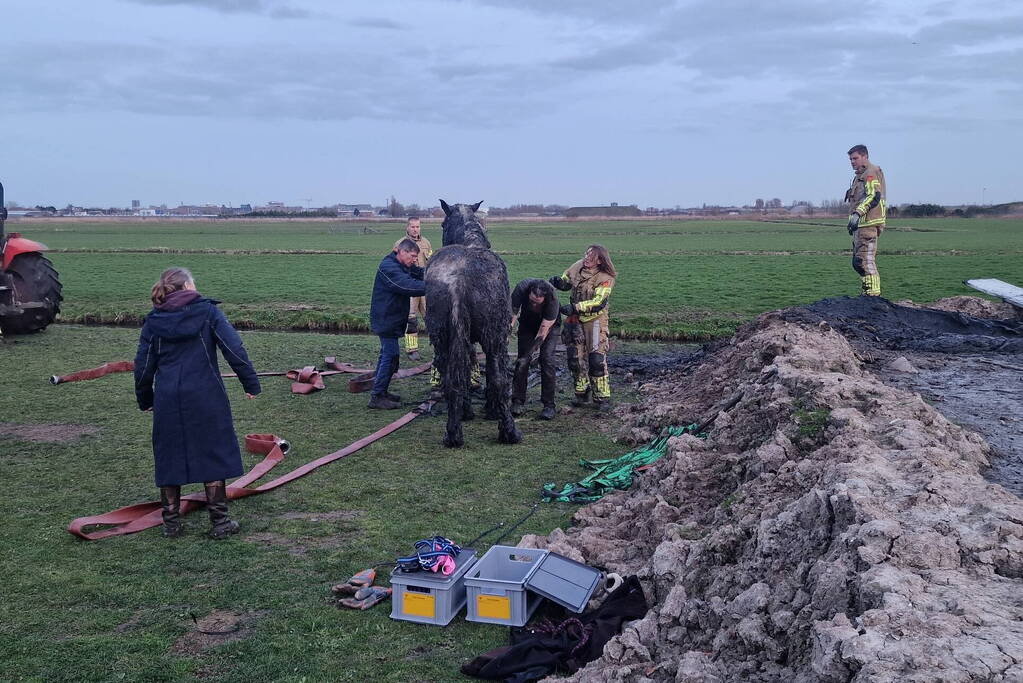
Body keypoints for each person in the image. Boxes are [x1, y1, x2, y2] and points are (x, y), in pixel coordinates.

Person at [134, 267, 260, 540]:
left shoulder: (154, 321)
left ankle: (171, 524)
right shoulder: (209, 312)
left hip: (168, 396)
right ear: (189, 286)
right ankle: (220, 523)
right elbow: (234, 348)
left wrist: (145, 397)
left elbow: (143, 365)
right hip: (206, 394)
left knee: (169, 454)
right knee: (213, 451)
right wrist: (250, 383)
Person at [550, 245, 617, 413]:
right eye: (586, 254)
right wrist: (558, 282)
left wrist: (576, 307)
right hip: (574, 320)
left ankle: (602, 397)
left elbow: (598, 302)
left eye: (591, 256)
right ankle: (581, 393)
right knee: (574, 359)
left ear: (600, 260)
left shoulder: (606, 277)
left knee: (596, 360)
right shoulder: (577, 266)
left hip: (595, 320)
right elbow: (566, 282)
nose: (586, 258)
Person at [369, 239, 426, 409]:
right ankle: (377, 397)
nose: (415, 260)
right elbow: (406, 285)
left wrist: (437, 272)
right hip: (386, 320)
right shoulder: (389, 267)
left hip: (391, 319)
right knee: (391, 356)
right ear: (402, 252)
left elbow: (419, 273)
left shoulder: (403, 265)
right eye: (413, 256)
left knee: (386, 355)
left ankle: (381, 391)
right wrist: (435, 286)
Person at [509, 278, 562, 420]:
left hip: (549, 328)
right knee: (521, 362)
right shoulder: (520, 289)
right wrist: (506, 335)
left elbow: (543, 331)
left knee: (547, 360)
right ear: (529, 293)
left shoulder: (553, 301)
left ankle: (549, 405)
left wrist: (531, 353)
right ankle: (517, 400)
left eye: (537, 303)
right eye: (531, 300)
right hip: (527, 324)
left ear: (544, 299)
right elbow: (512, 315)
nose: (533, 304)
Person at [844, 144, 887, 296]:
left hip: (868, 224)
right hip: (860, 225)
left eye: (855, 158)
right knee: (857, 263)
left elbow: (873, 196)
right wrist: (852, 223)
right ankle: (867, 292)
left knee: (865, 260)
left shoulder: (871, 173)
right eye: (850, 159)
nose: (852, 161)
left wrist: (857, 214)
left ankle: (873, 295)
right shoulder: (859, 176)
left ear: (865, 156)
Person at [393, 216, 433, 360]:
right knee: (411, 320)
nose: (415, 229)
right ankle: (412, 350)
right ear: (407, 227)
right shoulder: (400, 244)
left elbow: (430, 261)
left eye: (418, 227)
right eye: (413, 227)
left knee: (432, 317)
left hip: (424, 287)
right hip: (409, 287)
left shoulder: (426, 243)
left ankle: (437, 345)